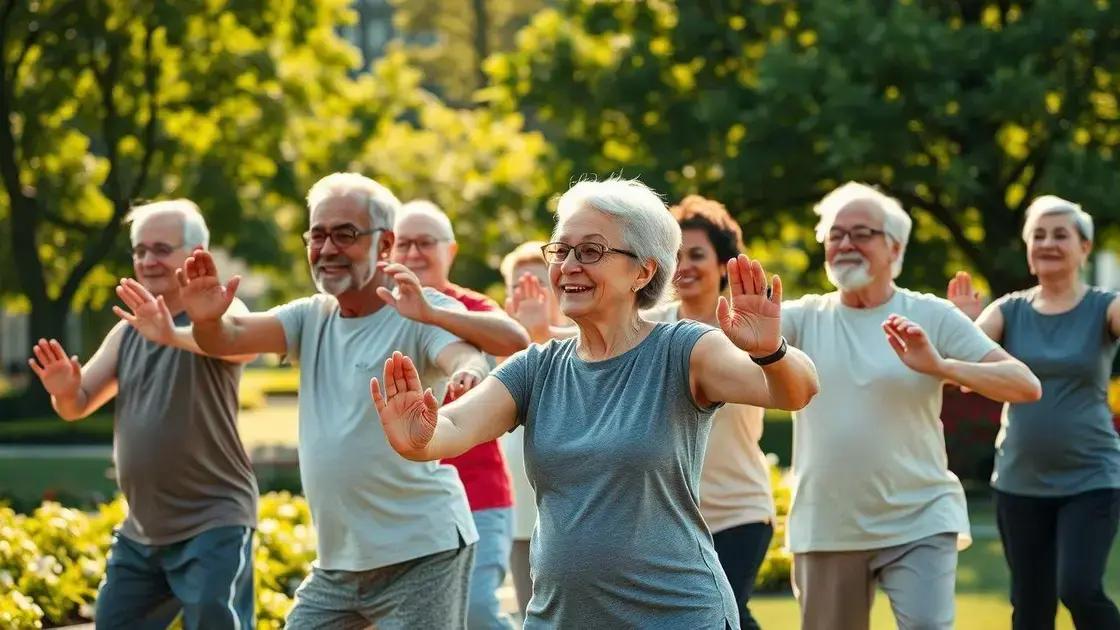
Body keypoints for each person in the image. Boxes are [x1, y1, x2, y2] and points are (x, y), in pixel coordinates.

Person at [371, 177, 820, 629]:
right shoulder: (536, 367)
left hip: (676, 617)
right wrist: (417, 436)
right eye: (561, 250)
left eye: (590, 251)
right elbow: (450, 430)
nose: (568, 266)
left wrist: (770, 350)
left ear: (643, 272)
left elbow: (795, 390)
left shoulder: (685, 349)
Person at [177, 173, 489, 628]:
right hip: (338, 566)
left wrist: (467, 375)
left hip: (423, 552)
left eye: (345, 234)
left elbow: (464, 352)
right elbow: (227, 337)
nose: (326, 248)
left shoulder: (418, 306)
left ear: (385, 245)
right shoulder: (310, 315)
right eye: (317, 235)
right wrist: (206, 320)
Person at [782, 182, 1042, 630]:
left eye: (861, 233)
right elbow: (720, 345)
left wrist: (941, 365)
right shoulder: (800, 318)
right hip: (827, 522)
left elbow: (1024, 384)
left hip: (919, 518)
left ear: (895, 247)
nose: (845, 244)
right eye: (835, 235)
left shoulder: (932, 315)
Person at [28, 200, 258, 630]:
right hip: (142, 532)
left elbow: (240, 343)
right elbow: (77, 405)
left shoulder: (221, 314)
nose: (148, 261)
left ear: (194, 254)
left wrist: (175, 332)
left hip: (214, 523)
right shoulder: (126, 331)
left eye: (160, 249)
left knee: (214, 620)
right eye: (140, 251)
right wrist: (62, 391)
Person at [948, 195, 1120, 630]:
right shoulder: (1007, 310)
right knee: (1030, 609)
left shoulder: (1105, 307)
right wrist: (961, 326)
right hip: (1019, 482)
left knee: (1079, 588)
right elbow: (961, 372)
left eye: (1060, 234)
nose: (1047, 242)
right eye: (1038, 235)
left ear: (1084, 247)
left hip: (1092, 478)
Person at [391, 200, 530, 630]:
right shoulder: (379, 313)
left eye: (425, 242)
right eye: (403, 243)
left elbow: (515, 341)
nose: (413, 253)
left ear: (450, 251)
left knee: (478, 611)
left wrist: (436, 314)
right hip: (406, 497)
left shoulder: (472, 306)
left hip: (479, 493)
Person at [644, 195, 775, 630]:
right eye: (675, 255)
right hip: (668, 516)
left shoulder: (751, 329)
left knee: (722, 614)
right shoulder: (647, 326)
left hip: (738, 510)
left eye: (697, 254)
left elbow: (792, 379)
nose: (684, 265)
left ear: (724, 264)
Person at [496, 241, 574, 617]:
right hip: (520, 516)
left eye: (538, 285)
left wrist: (540, 331)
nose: (529, 295)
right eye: (518, 286)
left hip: (570, 516)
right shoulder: (495, 346)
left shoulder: (580, 340)